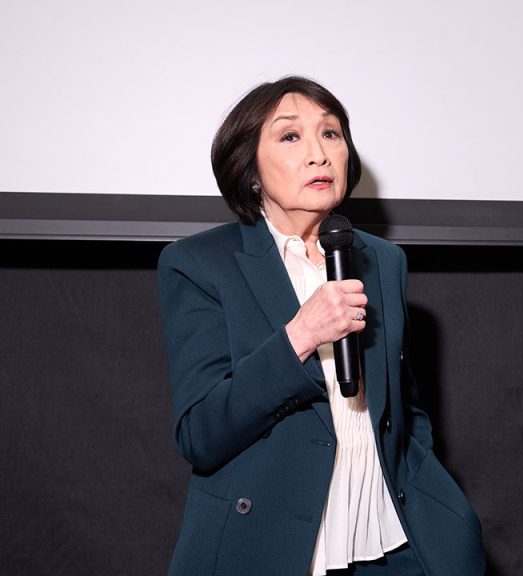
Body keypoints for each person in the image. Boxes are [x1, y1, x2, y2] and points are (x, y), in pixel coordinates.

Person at [158, 76, 485, 576]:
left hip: (390, 542)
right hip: (274, 546)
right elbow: (200, 433)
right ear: (249, 169)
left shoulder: (382, 260)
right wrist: (300, 336)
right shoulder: (199, 264)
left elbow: (404, 406)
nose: (319, 154)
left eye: (331, 134)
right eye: (290, 136)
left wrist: (432, 494)